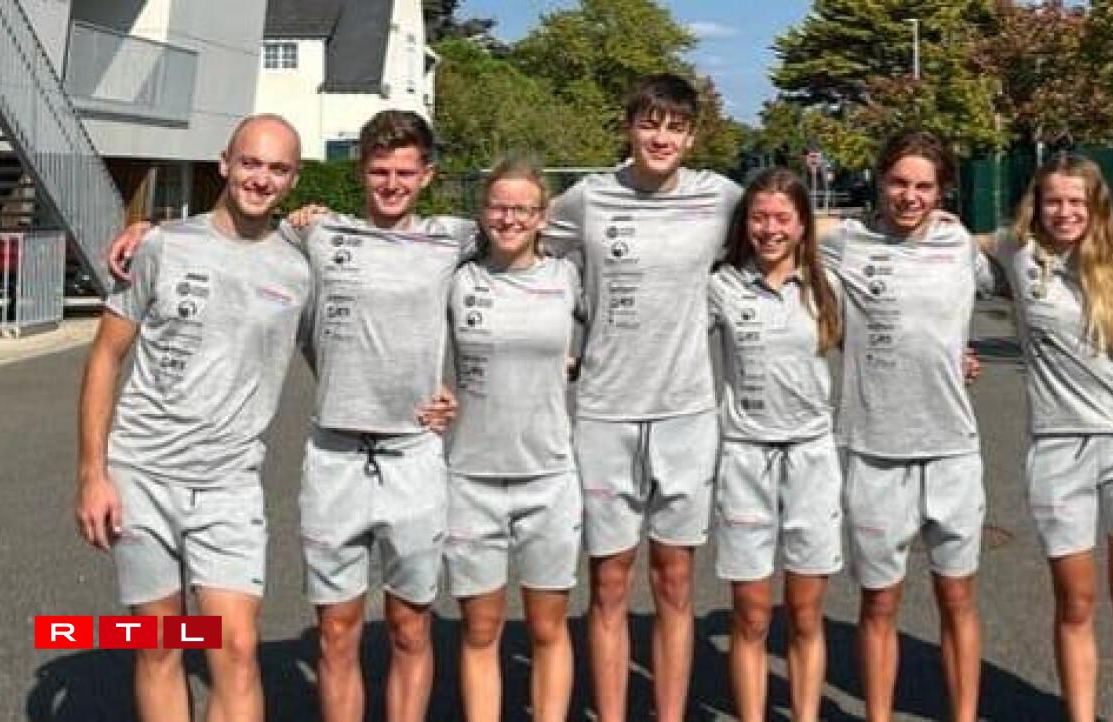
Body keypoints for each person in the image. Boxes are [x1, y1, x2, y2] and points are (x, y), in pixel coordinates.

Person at [107, 110, 468, 722]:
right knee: (166, 640)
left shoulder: (452, 238)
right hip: (230, 466)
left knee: (389, 630)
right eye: (379, 171)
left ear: (427, 175)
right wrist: (149, 230)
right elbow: (225, 235)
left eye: (405, 172)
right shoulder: (317, 238)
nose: (392, 183)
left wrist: (456, 392)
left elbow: (524, 233)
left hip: (387, 459)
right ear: (359, 172)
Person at [75, 114, 308, 722]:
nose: (261, 178)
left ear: (294, 179)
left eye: (278, 168)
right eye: (250, 162)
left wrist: (431, 395)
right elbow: (105, 357)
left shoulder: (302, 265)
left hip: (230, 483)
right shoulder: (160, 246)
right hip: (141, 475)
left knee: (237, 649)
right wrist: (93, 474)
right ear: (224, 163)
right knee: (159, 644)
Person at [540, 73, 743, 722]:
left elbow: (789, 228)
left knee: (675, 581)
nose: (661, 138)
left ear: (692, 137)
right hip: (606, 412)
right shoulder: (587, 199)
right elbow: (525, 248)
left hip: (685, 412)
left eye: (675, 128)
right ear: (628, 127)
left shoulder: (720, 198)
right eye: (649, 123)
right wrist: (552, 338)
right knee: (609, 582)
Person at [817, 129, 993, 722]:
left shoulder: (958, 242)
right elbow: (777, 223)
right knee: (879, 603)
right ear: (879, 180)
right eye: (899, 182)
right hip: (874, 449)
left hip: (951, 449)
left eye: (924, 186)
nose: (910, 197)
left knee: (957, 597)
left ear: (942, 192)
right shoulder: (847, 244)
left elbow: (1018, 260)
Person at [995, 152, 1113, 722]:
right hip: (1057, 447)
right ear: (1036, 205)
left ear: (1096, 205)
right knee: (1075, 600)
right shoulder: (1017, 253)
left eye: (1076, 201)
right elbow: (946, 246)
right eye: (1053, 201)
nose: (1065, 212)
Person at [443, 156, 583, 722]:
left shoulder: (567, 277)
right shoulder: (457, 279)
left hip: (548, 476)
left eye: (522, 209)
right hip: (472, 478)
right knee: (481, 629)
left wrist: (578, 364)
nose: (509, 219)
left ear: (543, 216)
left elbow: (621, 332)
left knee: (547, 626)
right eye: (498, 207)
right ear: (482, 212)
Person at [709, 167, 844, 722]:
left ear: (803, 224)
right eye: (759, 218)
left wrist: (959, 355)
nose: (770, 229)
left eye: (782, 218)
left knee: (806, 613)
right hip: (745, 457)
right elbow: (666, 338)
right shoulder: (721, 285)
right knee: (752, 613)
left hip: (811, 457)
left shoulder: (827, 285)